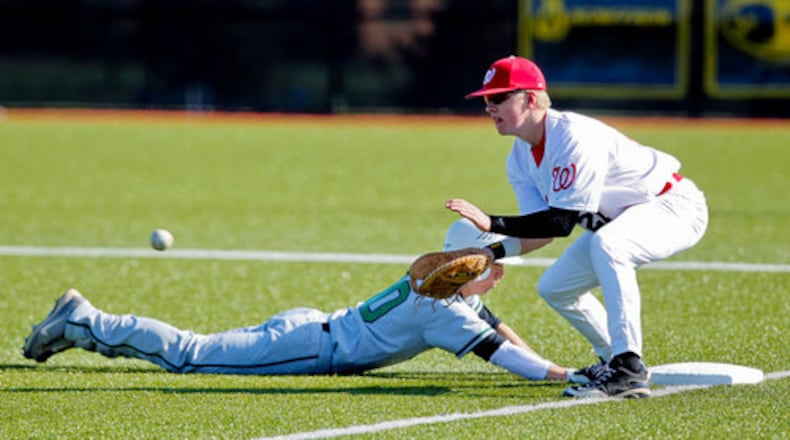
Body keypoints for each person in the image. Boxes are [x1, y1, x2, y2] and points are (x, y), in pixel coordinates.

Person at [23, 219, 584, 384]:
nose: (497, 278)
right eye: (493, 271)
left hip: (311, 326)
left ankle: (83, 328)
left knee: (196, 351)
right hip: (308, 348)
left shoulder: (440, 294)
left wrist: (556, 367)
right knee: (189, 355)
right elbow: (510, 360)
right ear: (467, 273)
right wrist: (566, 375)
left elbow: (503, 334)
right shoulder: (444, 313)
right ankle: (85, 320)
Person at [445, 56, 709, 398]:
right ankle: (613, 360)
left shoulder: (572, 136)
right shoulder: (519, 158)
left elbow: (561, 222)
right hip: (623, 220)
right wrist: (490, 251)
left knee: (610, 244)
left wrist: (492, 223)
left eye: (498, 98)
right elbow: (542, 232)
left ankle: (629, 368)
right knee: (556, 286)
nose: (489, 107)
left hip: (673, 206)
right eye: (486, 100)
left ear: (529, 98)